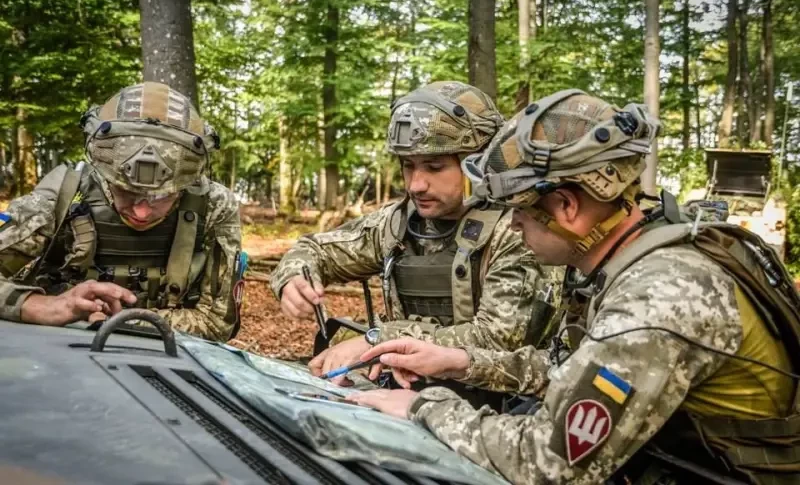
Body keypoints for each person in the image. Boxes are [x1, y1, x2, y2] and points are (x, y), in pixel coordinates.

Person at [348, 89, 800, 484]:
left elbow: (550, 462)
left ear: (565, 205)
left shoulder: (661, 295)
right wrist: (460, 362)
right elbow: (573, 370)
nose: (514, 223)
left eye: (519, 210)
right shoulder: (639, 254)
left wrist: (422, 407)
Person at [271, 81, 561, 388]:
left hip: (495, 416)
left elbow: (498, 342)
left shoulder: (519, 228)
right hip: (406, 396)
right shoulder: (399, 223)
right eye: (408, 166)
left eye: (434, 167)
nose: (416, 185)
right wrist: (294, 277)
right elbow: (316, 250)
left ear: (478, 162)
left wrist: (381, 340)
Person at [0, 82, 243, 341]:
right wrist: (40, 305)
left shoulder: (213, 204)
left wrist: (119, 322)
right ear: (104, 175)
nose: (140, 212)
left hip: (170, 357)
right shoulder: (64, 194)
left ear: (186, 184)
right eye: (125, 192)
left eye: (160, 196)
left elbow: (217, 323)